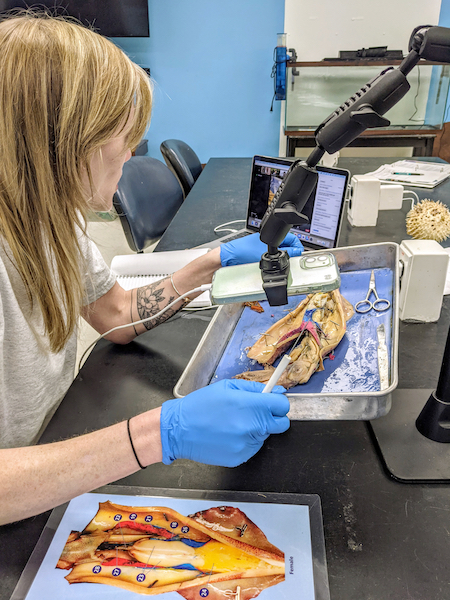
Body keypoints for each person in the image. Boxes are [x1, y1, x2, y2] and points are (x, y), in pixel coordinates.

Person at [0, 12, 303, 526]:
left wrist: (211, 263)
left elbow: (115, 314)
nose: (133, 146)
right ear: (65, 137)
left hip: (51, 448)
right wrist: (158, 436)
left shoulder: (49, 215)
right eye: (123, 133)